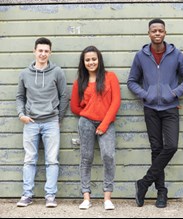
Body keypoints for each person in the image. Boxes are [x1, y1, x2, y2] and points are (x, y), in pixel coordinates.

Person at [127, 18, 183, 208]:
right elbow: (132, 81)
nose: (157, 33)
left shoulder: (175, 55)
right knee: (156, 150)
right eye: (154, 31)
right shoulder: (141, 56)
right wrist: (145, 94)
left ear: (165, 33)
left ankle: (144, 183)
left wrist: (174, 93)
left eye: (160, 30)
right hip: (150, 109)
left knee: (171, 146)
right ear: (149, 33)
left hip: (170, 108)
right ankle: (161, 192)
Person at [16, 37, 69, 208]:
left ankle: (50, 196)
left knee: (52, 160)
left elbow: (64, 96)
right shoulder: (24, 74)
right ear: (34, 51)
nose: (43, 54)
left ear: (50, 53)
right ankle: (27, 195)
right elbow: (20, 97)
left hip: (51, 121)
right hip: (30, 122)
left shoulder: (57, 72)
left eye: (46, 51)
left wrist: (58, 119)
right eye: (40, 50)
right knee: (29, 159)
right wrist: (21, 114)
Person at [70, 46, 121, 210]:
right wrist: (87, 115)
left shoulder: (110, 77)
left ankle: (107, 197)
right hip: (86, 123)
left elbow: (116, 102)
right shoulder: (80, 82)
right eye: (87, 60)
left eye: (94, 59)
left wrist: (104, 123)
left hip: (107, 123)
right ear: (83, 62)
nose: (91, 62)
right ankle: (86, 197)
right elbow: (74, 107)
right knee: (86, 157)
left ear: (99, 60)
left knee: (108, 156)